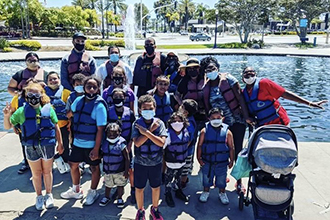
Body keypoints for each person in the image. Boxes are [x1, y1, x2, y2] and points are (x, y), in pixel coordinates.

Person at [3, 82, 63, 210]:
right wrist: (7, 116)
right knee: (36, 173)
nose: (33, 96)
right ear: (25, 95)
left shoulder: (48, 108)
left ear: (42, 94)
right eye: (30, 94)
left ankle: (49, 194)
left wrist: (61, 144)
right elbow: (8, 127)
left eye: (36, 93)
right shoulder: (21, 111)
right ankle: (39, 196)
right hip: (31, 147)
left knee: (47, 171)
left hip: (47, 145)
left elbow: (56, 126)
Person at [200, 56, 251, 193]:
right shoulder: (206, 87)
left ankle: (239, 182)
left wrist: (246, 117)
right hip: (220, 125)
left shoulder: (229, 80)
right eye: (207, 69)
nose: (210, 71)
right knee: (220, 150)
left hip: (237, 121)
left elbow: (240, 98)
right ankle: (221, 177)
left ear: (217, 68)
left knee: (238, 150)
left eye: (213, 68)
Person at [60, 76, 107, 206]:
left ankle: (93, 191)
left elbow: (100, 129)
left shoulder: (99, 105)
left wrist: (96, 149)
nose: (91, 89)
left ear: (98, 89)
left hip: (92, 143)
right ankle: (76, 189)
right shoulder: (79, 100)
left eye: (94, 87)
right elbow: (70, 112)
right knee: (73, 164)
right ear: (84, 87)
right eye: (88, 86)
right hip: (77, 141)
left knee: (94, 167)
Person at [241, 66, 327, 127]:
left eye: (251, 73)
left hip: (280, 123)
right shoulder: (243, 93)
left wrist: (309, 103)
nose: (249, 76)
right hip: (263, 127)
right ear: (242, 79)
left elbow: (284, 94)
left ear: (256, 75)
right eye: (246, 74)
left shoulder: (264, 83)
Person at [132, 95, 167, 220]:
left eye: (150, 108)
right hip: (140, 163)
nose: (148, 111)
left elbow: (161, 143)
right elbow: (137, 143)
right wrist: (151, 131)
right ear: (140, 110)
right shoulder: (136, 124)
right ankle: (140, 210)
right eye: (145, 109)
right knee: (139, 188)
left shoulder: (160, 123)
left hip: (156, 163)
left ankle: (155, 209)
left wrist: (147, 132)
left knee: (156, 187)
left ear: (155, 109)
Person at [197, 108, 234, 205]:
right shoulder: (204, 131)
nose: (216, 119)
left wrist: (231, 160)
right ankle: (206, 191)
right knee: (206, 178)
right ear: (208, 118)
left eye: (218, 117)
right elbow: (199, 145)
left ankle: (222, 193)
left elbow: (231, 147)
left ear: (223, 118)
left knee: (222, 179)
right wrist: (199, 158)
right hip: (207, 161)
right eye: (213, 118)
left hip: (222, 162)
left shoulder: (228, 132)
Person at [4, 78, 40, 174]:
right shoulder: (17, 98)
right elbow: (13, 112)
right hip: (23, 128)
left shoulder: (41, 97)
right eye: (28, 86)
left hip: (39, 127)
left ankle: (43, 163)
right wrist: (14, 126)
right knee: (25, 145)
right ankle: (27, 163)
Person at [107, 88, 136, 204]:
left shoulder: (130, 112)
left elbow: (134, 129)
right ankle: (117, 188)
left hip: (126, 145)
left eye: (120, 97)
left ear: (125, 99)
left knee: (130, 168)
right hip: (113, 145)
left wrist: (130, 143)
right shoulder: (109, 111)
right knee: (115, 168)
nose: (118, 99)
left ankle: (133, 190)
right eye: (115, 97)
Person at [99, 122, 129, 208]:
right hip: (108, 170)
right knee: (108, 185)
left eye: (114, 132)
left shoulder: (122, 144)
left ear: (119, 132)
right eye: (109, 133)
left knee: (120, 185)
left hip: (119, 170)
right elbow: (102, 154)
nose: (111, 135)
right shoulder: (105, 143)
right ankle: (106, 197)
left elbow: (127, 158)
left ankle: (120, 198)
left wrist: (126, 171)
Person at [164, 112, 190, 207]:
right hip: (171, 163)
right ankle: (168, 194)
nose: (177, 123)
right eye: (174, 121)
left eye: (179, 121)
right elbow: (163, 148)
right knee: (169, 180)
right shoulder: (168, 134)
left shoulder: (186, 132)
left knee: (178, 178)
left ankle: (179, 192)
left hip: (182, 162)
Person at [44, 72, 71, 165]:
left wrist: (70, 123)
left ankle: (66, 160)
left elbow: (71, 109)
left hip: (63, 125)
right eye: (50, 79)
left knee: (64, 144)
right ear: (46, 82)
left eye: (55, 79)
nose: (53, 81)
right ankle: (48, 163)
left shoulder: (67, 93)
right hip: (48, 126)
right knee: (48, 145)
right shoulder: (42, 93)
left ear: (59, 80)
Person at [175, 57, 207, 130]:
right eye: (190, 68)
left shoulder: (204, 79)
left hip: (203, 111)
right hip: (189, 112)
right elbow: (177, 94)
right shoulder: (184, 81)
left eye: (195, 67)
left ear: (199, 69)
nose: (192, 70)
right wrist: (182, 105)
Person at [178, 99, 198, 188]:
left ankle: (183, 182)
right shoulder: (186, 120)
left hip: (186, 151)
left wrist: (181, 150)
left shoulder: (189, 124)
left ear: (185, 113)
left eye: (181, 106)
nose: (179, 107)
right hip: (185, 150)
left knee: (184, 169)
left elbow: (189, 140)